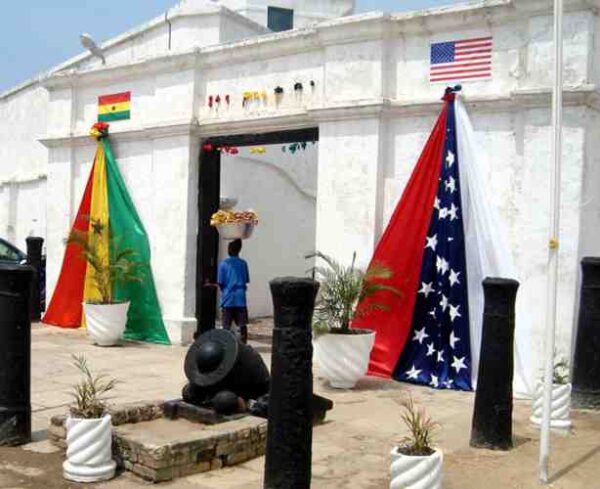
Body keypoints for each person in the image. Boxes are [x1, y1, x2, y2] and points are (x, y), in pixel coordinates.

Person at [217, 239, 250, 343]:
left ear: (229, 250)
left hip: (228, 298)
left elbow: (220, 282)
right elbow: (245, 280)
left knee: (226, 325)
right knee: (242, 324)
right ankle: (244, 343)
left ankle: (226, 344)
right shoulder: (243, 263)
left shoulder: (223, 264)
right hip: (240, 298)